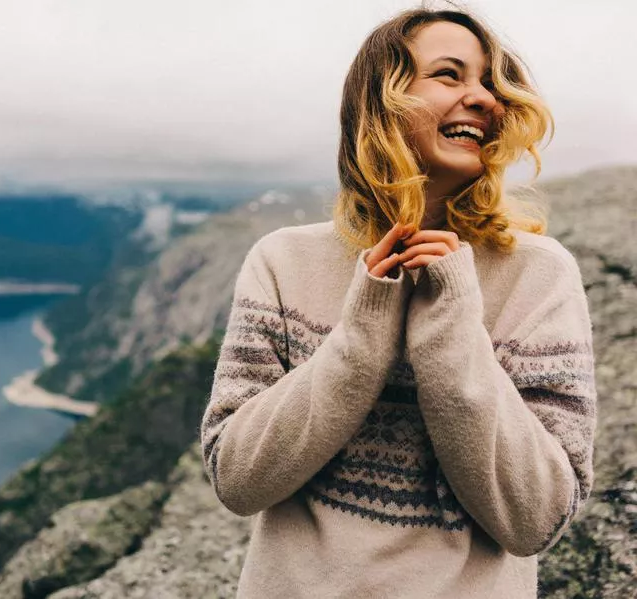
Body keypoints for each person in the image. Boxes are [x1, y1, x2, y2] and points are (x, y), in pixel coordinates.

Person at [200, 6, 596, 599]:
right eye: (449, 75)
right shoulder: (281, 261)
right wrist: (361, 338)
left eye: (490, 81)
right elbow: (237, 479)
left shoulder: (538, 275)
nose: (483, 98)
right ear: (381, 103)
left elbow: (536, 518)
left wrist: (455, 328)